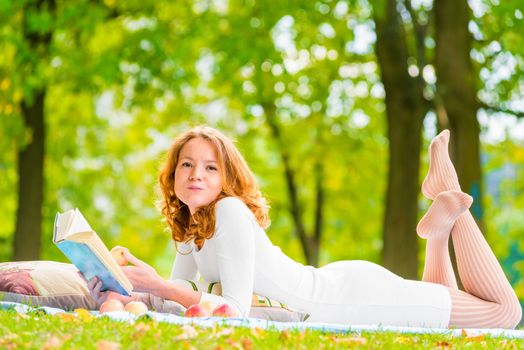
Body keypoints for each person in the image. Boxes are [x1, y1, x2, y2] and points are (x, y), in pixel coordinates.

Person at [88, 126, 522, 328]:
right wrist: (129, 281)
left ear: (227, 180)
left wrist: (159, 289)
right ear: (173, 175)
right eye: (186, 164)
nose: (195, 174)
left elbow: (233, 310)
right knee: (448, 307)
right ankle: (438, 232)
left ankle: (449, 194)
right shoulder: (190, 225)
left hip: (350, 302)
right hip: (337, 287)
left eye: (209, 167)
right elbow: (182, 300)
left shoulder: (232, 212)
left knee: (506, 313)